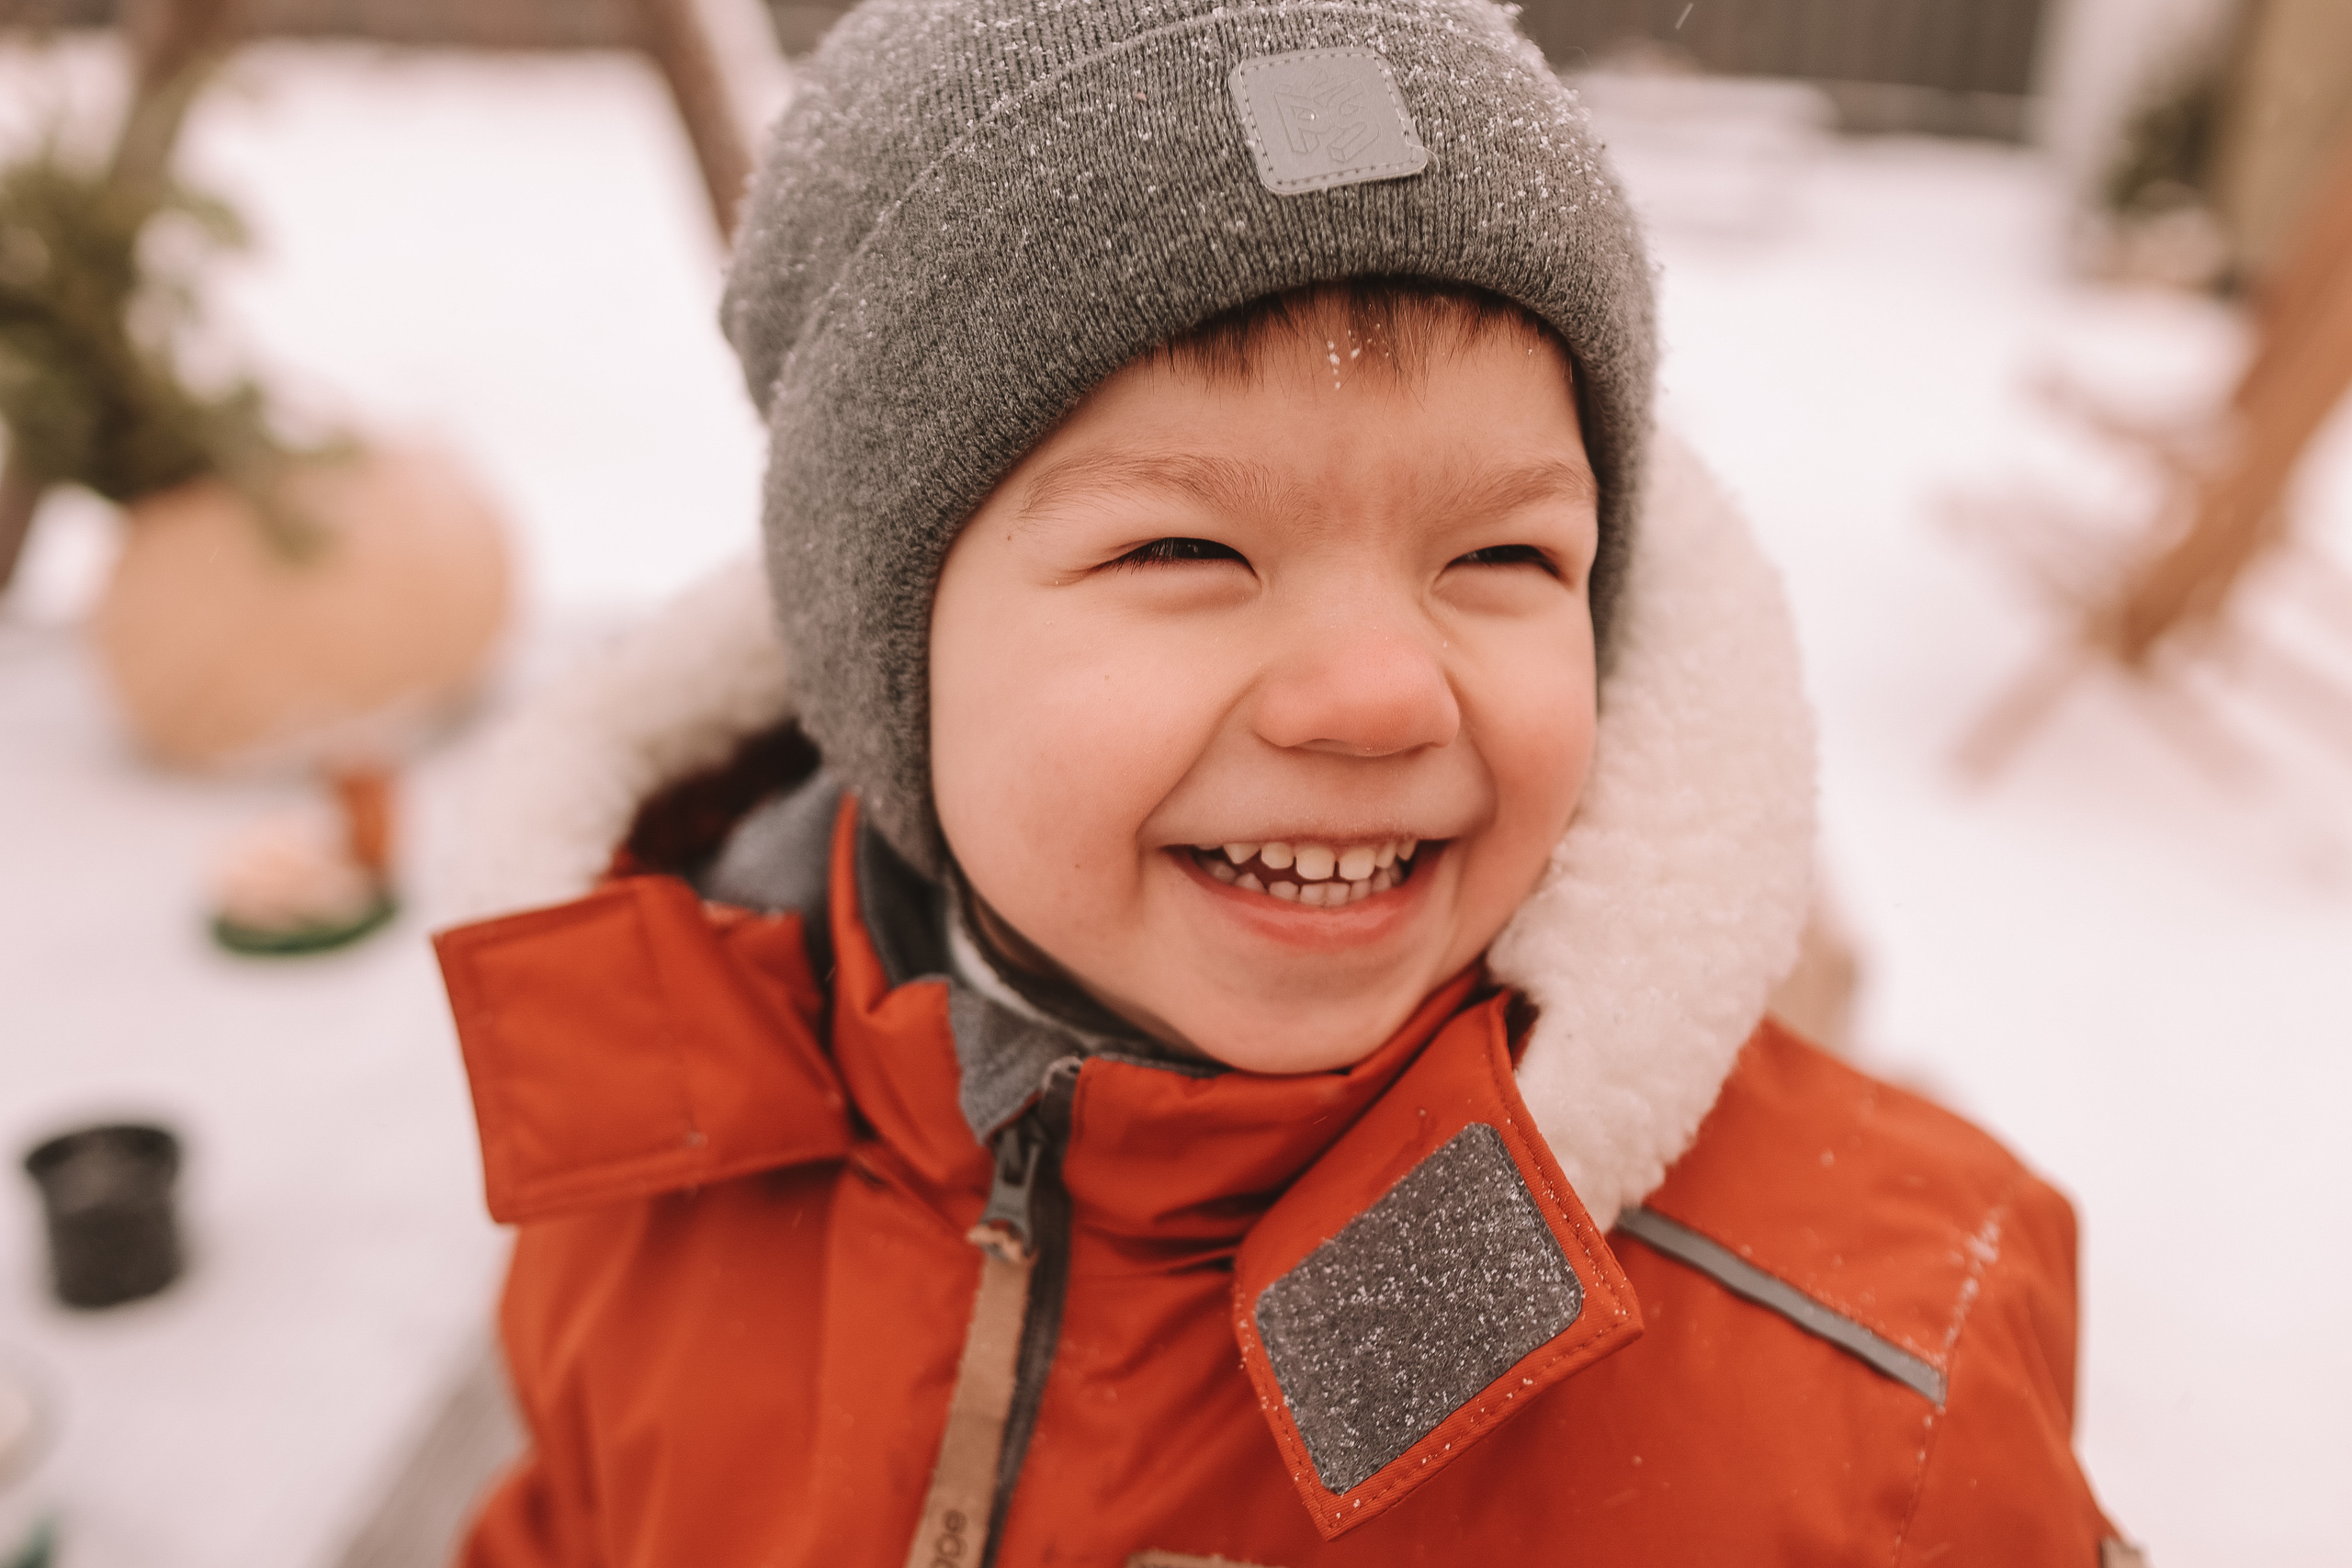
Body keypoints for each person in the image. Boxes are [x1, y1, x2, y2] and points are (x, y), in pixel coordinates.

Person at [433, 1, 2132, 1562]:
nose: (1381, 695)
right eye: (1187, 545)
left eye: (1498, 556)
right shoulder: (672, 1132)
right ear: (886, 658)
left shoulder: (1866, 1389)